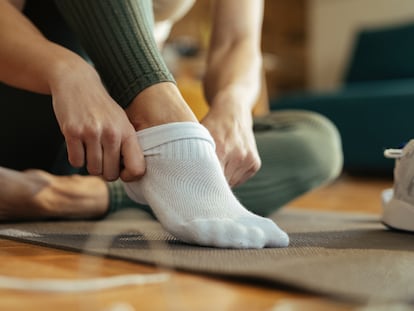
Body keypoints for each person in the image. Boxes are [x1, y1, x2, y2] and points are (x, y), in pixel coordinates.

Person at [0, 0, 343, 248]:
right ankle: (169, 132)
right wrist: (67, 72)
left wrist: (232, 107)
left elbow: (237, 41)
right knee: (175, 142)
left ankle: (61, 197)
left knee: (316, 141)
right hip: (32, 103)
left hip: (117, 154)